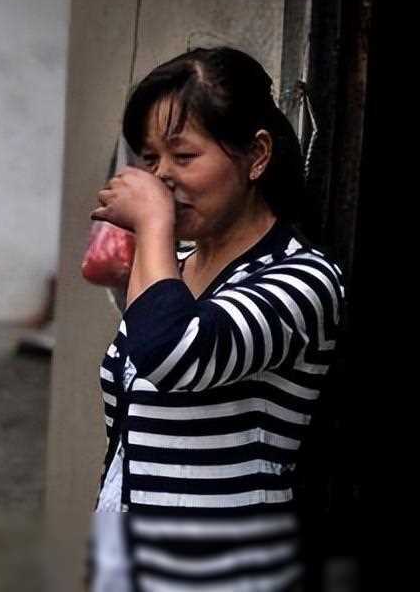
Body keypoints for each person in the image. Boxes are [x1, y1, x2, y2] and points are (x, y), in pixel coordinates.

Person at [88, 47, 344, 590]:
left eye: (183, 156)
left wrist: (151, 224)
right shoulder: (172, 270)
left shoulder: (303, 279)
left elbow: (178, 356)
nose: (161, 178)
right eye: (150, 159)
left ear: (256, 155)